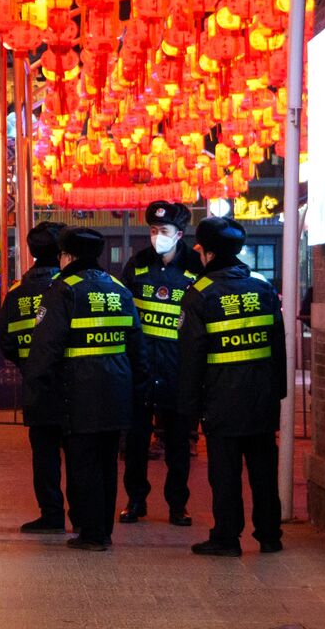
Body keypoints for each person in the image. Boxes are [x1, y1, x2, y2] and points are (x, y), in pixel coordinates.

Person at [23, 227, 147, 552]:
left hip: (79, 393)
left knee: (84, 464)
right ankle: (102, 529)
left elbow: (45, 348)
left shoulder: (63, 289)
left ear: (66, 256)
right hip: (118, 390)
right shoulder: (119, 289)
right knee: (107, 464)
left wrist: (35, 388)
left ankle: (92, 534)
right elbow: (137, 343)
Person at [178, 216, 287, 557]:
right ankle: (269, 536)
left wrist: (189, 408)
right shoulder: (262, 287)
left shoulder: (199, 294)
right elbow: (278, 346)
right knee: (264, 470)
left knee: (225, 473)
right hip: (262, 398)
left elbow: (191, 356)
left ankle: (227, 537)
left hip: (222, 400)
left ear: (206, 252)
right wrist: (278, 391)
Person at [119, 200, 204, 527]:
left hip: (178, 371)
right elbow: (125, 313)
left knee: (178, 445)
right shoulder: (137, 264)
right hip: (141, 370)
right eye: (154, 230)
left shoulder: (196, 268)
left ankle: (177, 505)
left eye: (164, 231)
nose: (157, 237)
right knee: (136, 443)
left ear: (179, 234)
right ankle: (135, 500)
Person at [0, 221, 68, 534]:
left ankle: (51, 515)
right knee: (79, 455)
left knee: (45, 456)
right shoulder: (72, 287)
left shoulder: (17, 293)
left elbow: (6, 341)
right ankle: (81, 516)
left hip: (36, 388)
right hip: (74, 386)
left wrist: (29, 366)